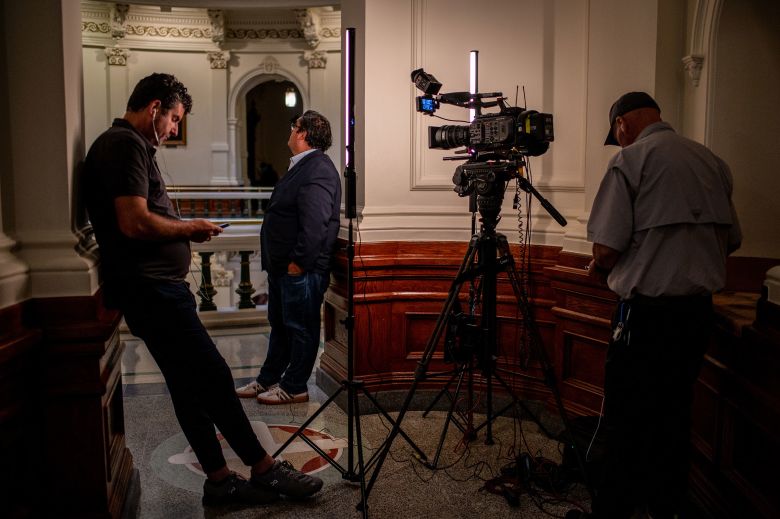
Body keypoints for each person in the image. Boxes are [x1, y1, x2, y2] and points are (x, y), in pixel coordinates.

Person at [83, 73, 323, 507]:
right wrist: (188, 228)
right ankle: (264, 470)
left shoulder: (124, 145)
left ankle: (219, 481)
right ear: (155, 108)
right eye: (173, 119)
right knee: (212, 375)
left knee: (186, 385)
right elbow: (133, 221)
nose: (174, 129)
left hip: (150, 289)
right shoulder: (124, 145)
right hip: (152, 291)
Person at [567, 92, 742, 519]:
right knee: (674, 417)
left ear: (622, 124)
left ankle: (612, 512)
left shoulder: (630, 162)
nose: (620, 141)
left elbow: (606, 248)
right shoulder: (712, 162)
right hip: (697, 316)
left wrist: (600, 264)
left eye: (618, 134)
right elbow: (732, 240)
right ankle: (665, 508)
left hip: (644, 318)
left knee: (624, 420)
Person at [236, 110, 341, 405]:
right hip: (285, 268)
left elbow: (315, 223)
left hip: (301, 270)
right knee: (281, 326)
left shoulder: (317, 168)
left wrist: (298, 264)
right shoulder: (305, 166)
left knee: (301, 328)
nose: (291, 131)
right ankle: (268, 379)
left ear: (303, 133)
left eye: (293, 126)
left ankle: (294, 386)